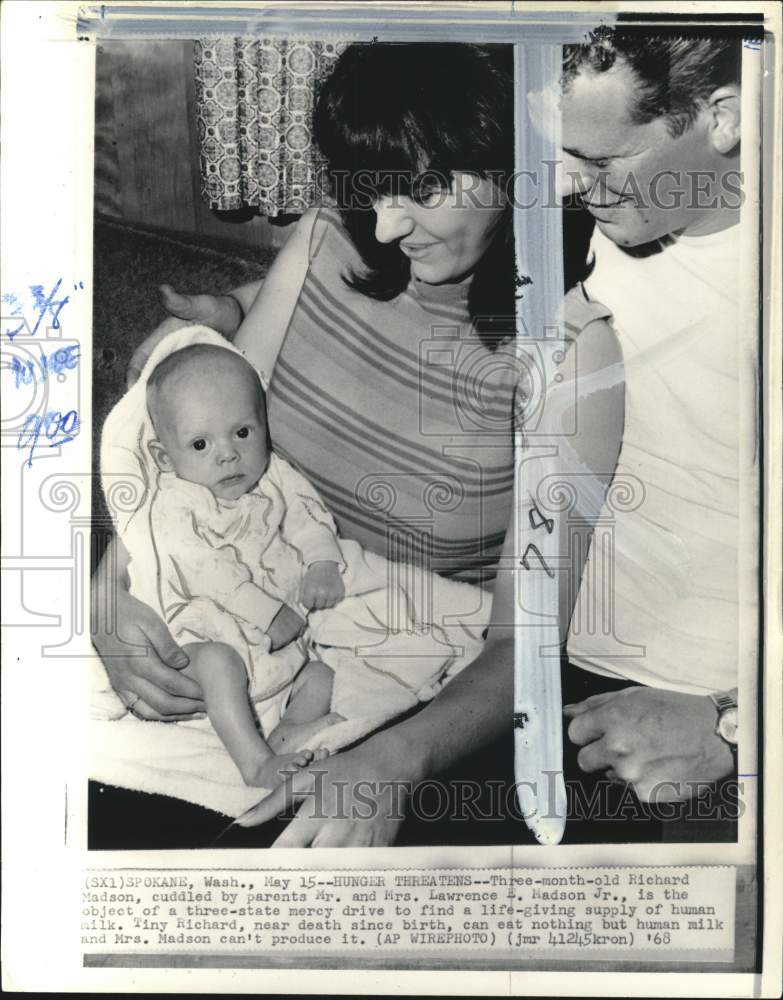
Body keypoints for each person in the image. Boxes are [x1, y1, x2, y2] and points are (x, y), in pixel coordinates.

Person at [91, 42, 622, 847]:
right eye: (370, 191)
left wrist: (394, 762)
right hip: (238, 594)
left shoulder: (570, 354)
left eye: (421, 190)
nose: (386, 224)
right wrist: (110, 595)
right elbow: (203, 464)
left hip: (398, 657)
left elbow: (526, 642)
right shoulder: (326, 241)